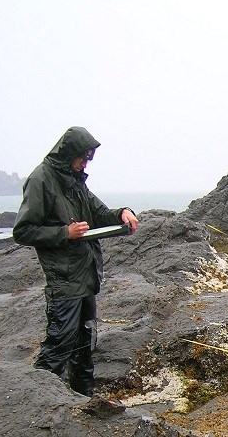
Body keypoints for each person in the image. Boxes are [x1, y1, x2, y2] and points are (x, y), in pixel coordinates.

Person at [13, 126, 138, 397]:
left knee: (85, 343)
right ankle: (38, 403)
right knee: (60, 343)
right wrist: (65, 233)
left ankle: (84, 399)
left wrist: (123, 214)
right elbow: (22, 231)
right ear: (68, 153)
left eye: (89, 159)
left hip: (86, 275)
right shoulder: (41, 180)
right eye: (83, 158)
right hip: (64, 278)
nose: (85, 164)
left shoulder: (75, 179)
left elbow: (99, 212)